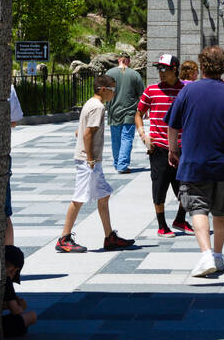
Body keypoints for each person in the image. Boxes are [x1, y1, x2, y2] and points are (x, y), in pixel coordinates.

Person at [165, 45, 224, 278]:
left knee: (197, 207)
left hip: (194, 162)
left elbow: (173, 125)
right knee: (221, 211)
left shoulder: (187, 92)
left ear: (203, 65)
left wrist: (173, 148)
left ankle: (206, 253)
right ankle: (217, 254)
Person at [56, 74, 135, 254]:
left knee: (104, 195)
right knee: (79, 198)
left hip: (90, 160)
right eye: (113, 90)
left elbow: (80, 131)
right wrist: (90, 158)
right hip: (88, 161)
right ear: (103, 89)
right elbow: (87, 134)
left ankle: (109, 237)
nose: (114, 93)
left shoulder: (90, 103)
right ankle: (64, 238)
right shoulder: (98, 107)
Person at [135, 52, 193, 237]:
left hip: (183, 147)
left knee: (187, 187)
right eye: (158, 69)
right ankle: (162, 225)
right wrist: (144, 135)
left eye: (163, 69)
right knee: (159, 187)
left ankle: (180, 219)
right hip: (159, 147)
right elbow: (138, 113)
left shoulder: (186, 90)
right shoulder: (151, 90)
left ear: (174, 69)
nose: (160, 72)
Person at [106, 52, 145, 173]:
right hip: (130, 112)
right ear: (128, 61)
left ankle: (117, 163)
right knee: (127, 138)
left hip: (113, 111)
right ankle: (122, 165)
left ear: (119, 60)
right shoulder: (135, 74)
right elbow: (142, 95)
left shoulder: (109, 74)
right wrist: (144, 112)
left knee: (116, 139)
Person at [2, 244, 37, 337]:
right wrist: (21, 306)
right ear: (15, 270)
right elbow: (16, 311)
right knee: (32, 316)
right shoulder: (6, 280)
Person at [5, 82, 23, 245]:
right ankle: (8, 261)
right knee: (4, 213)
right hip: (1, 155)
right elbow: (14, 121)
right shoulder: (6, 86)